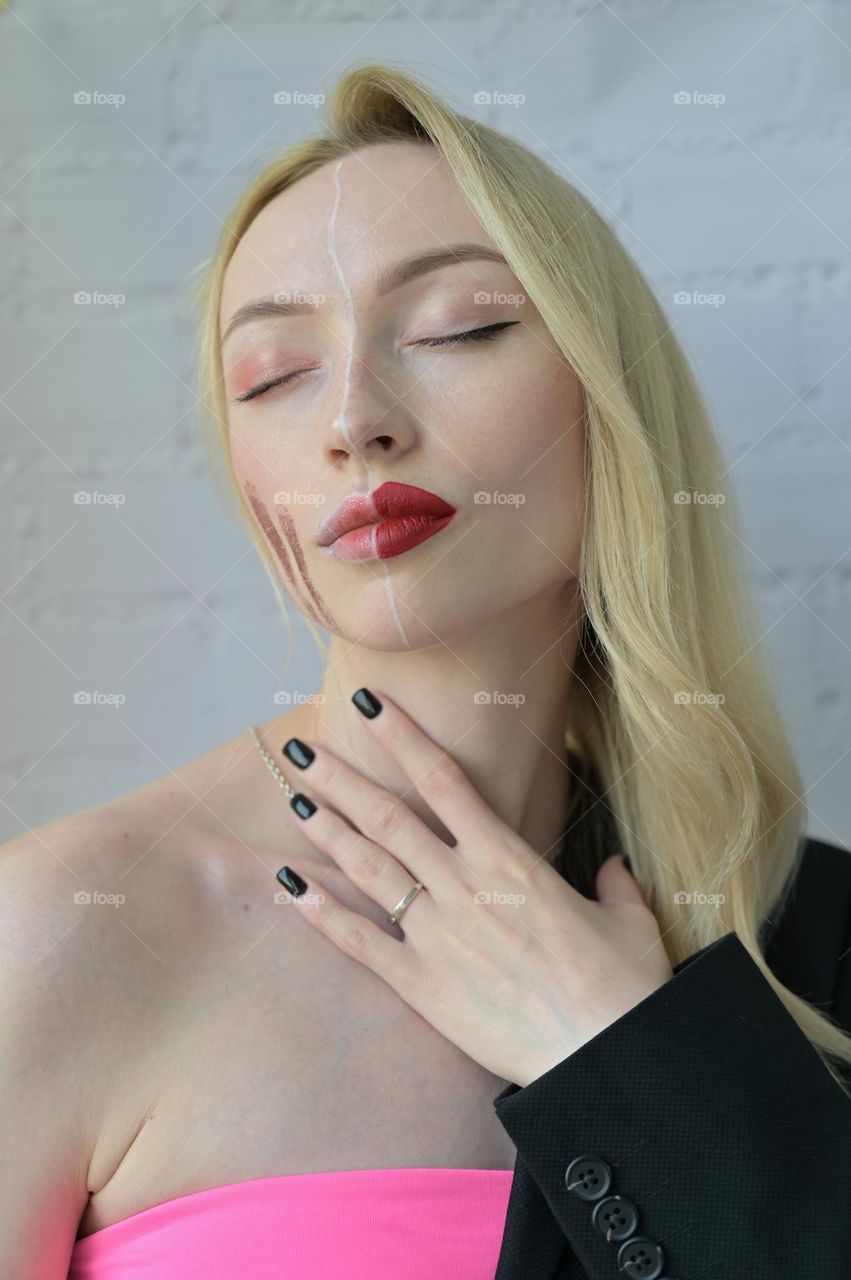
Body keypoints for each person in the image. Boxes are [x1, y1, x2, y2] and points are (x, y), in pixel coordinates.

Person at [2, 61, 850, 1280]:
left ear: (606, 401)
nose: (353, 417)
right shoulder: (62, 929)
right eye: (273, 375)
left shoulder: (809, 945)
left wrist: (619, 1052)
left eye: (461, 327)